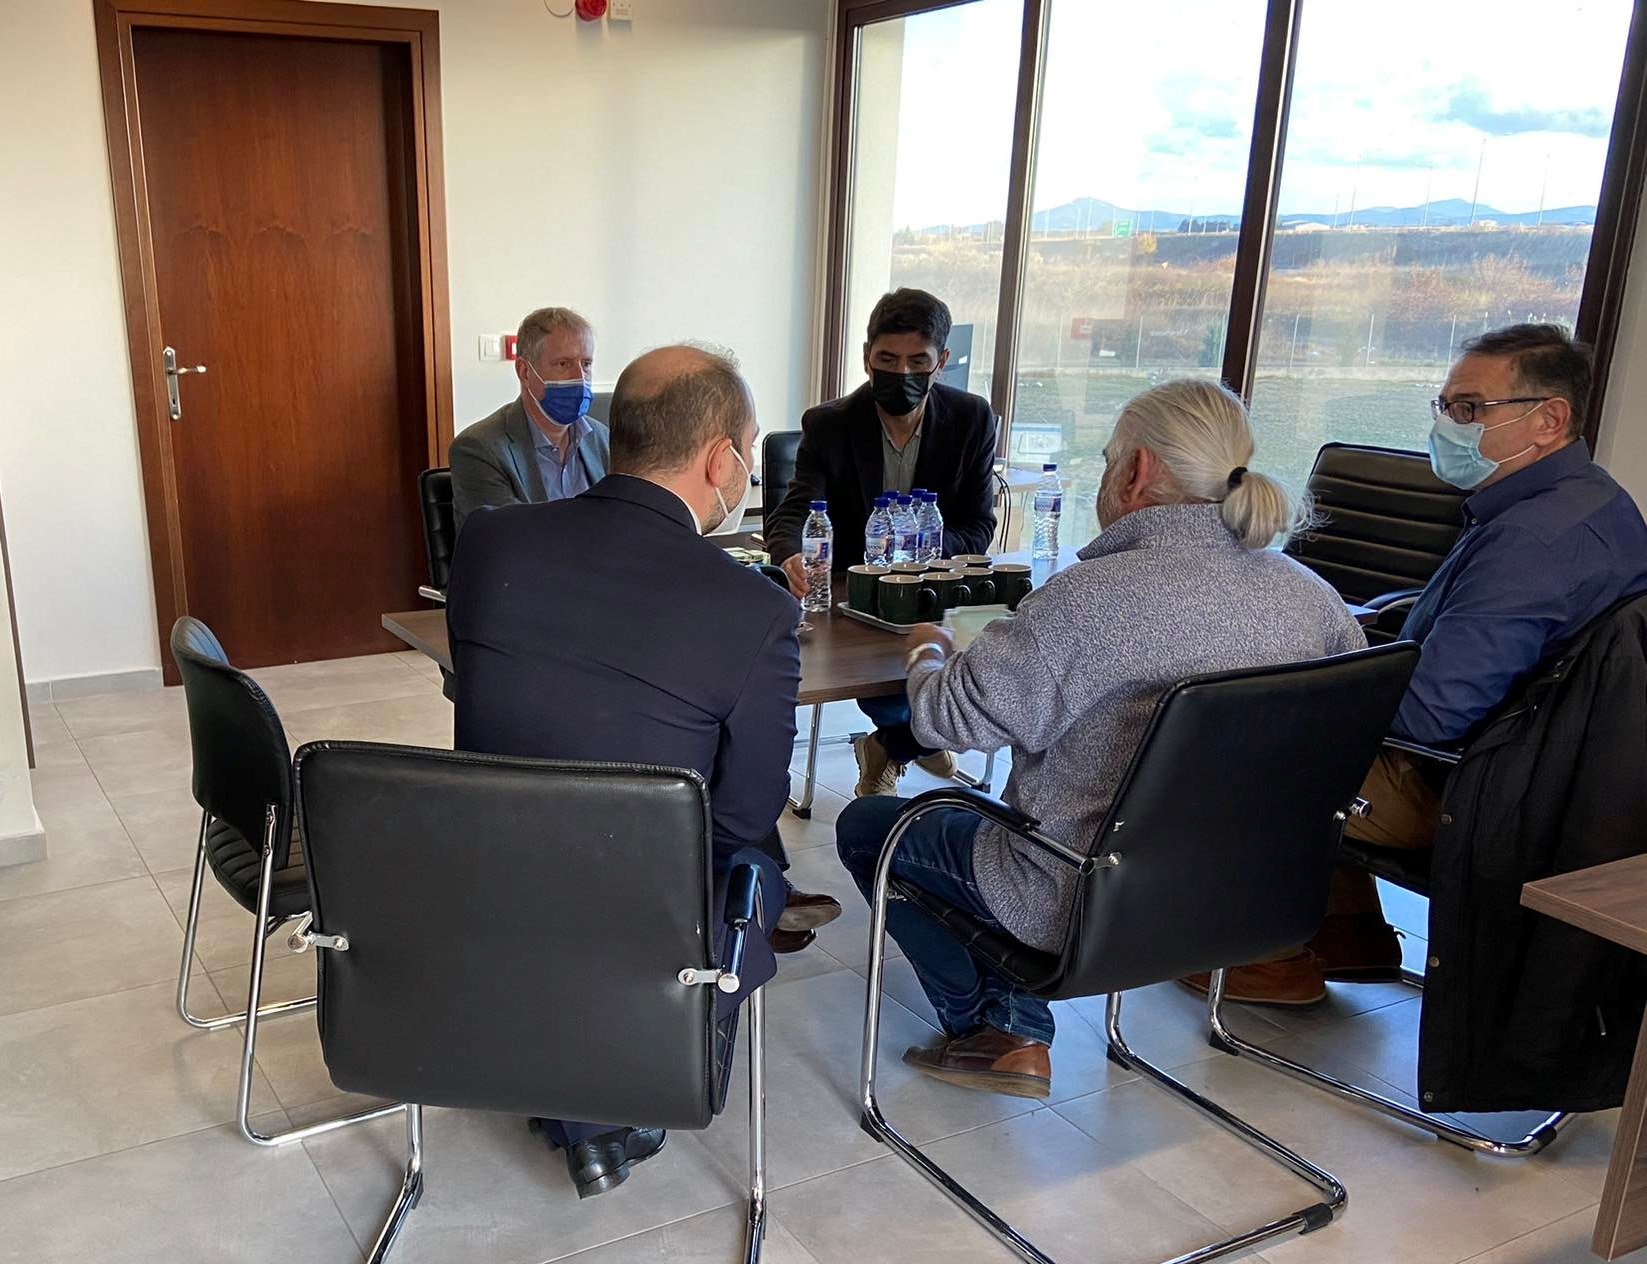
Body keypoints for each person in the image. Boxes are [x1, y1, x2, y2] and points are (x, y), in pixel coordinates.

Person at [835, 379, 1365, 1098]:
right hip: (1252, 901)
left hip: (1087, 901)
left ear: (1137, 470)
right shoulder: (1313, 596)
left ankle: (1000, 1029)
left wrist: (928, 651)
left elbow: (947, 724)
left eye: (1113, 457)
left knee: (872, 826)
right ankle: (1012, 1023)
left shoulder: (1086, 600)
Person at [447, 344, 823, 1196]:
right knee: (757, 865)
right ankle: (612, 1104)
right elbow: (743, 814)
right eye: (748, 453)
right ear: (721, 460)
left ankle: (577, 1106)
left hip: (482, 879)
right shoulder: (755, 609)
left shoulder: (490, 542)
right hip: (637, 916)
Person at [1214, 324, 1647, 1007]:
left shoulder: (1528, 543)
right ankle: (1347, 931)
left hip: (1462, 786)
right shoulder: (1590, 502)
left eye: (1470, 408)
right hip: (1536, 776)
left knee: (1223, 738)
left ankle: (1268, 960)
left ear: (1549, 419)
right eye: (1444, 406)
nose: (1448, 425)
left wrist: (1311, 687)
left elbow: (1427, 717)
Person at [766, 288, 997, 798]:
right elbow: (795, 510)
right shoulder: (830, 424)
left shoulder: (972, 419)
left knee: (987, 677)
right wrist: (790, 554)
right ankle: (918, 735)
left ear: (942, 362)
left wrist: (916, 552)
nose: (902, 373)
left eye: (918, 362)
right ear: (866, 356)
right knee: (889, 679)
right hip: (858, 600)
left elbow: (979, 526)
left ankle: (893, 746)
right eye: (888, 360)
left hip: (934, 592)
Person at [449, 305, 611, 530]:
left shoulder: (602, 439)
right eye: (563, 364)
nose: (580, 378)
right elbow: (504, 539)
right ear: (524, 372)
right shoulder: (478, 448)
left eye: (586, 364)